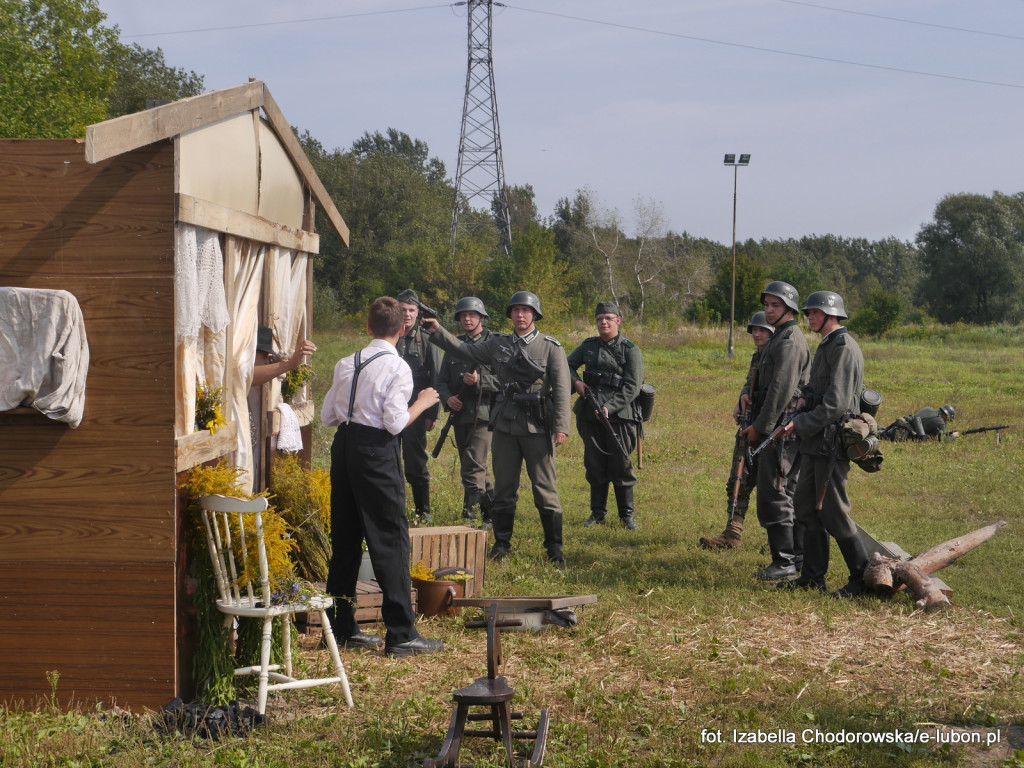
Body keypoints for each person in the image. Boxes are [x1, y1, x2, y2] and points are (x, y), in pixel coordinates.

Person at [320, 296, 444, 657]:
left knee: (345, 538)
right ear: (403, 328)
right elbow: (393, 423)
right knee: (390, 538)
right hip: (376, 450)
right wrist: (421, 403)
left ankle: (342, 626)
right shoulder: (398, 367)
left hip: (344, 448)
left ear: (369, 327)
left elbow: (329, 415)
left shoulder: (346, 362)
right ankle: (402, 634)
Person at [422, 291, 571, 563]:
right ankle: (502, 544)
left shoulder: (551, 347)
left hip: (537, 426)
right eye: (515, 310)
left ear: (535, 315)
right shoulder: (498, 344)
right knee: (504, 487)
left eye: (526, 311)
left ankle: (554, 548)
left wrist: (561, 426)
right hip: (504, 426)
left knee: (544, 488)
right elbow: (465, 350)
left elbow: (562, 389)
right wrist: (438, 330)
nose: (520, 315)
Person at [778, 290, 869, 597]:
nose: (809, 318)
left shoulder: (843, 346)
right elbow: (820, 391)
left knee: (833, 510)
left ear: (831, 315)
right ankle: (813, 577)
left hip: (831, 441)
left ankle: (861, 577)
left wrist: (800, 423)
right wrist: (804, 398)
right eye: (809, 314)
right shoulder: (828, 344)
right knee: (806, 506)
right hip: (817, 441)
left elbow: (837, 403)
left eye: (814, 313)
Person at [737, 281, 812, 580]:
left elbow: (780, 391)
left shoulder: (790, 340)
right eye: (767, 304)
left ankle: (785, 562)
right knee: (780, 491)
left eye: (775, 305)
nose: (768, 310)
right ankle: (794, 560)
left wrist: (761, 428)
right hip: (775, 427)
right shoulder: (779, 337)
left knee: (776, 492)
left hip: (780, 430)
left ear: (789, 309)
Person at [566, 301, 645, 530]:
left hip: (620, 417)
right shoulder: (588, 346)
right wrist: (577, 382)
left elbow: (632, 386)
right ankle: (597, 514)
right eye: (600, 318)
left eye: (609, 318)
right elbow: (566, 365)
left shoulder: (630, 349)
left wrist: (611, 406)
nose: (604, 322)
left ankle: (626, 516)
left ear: (618, 320)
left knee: (621, 463)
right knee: (594, 463)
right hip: (590, 413)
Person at [700, 311, 773, 549]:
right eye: (754, 330)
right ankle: (733, 532)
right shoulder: (758, 357)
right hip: (749, 423)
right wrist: (742, 395)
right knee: (739, 478)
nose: (757, 334)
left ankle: (781, 541)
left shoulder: (780, 356)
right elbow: (750, 382)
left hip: (770, 429)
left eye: (762, 330)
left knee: (773, 486)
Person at [436, 296, 498, 526]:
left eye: (472, 315)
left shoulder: (494, 345)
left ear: (481, 317)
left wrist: (480, 381)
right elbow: (441, 380)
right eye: (463, 315)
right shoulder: (454, 345)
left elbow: (505, 381)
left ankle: (469, 515)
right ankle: (492, 514)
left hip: (484, 416)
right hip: (460, 415)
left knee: (472, 466)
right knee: (477, 466)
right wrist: (448, 398)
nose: (467, 318)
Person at [395, 289, 443, 524]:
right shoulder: (388, 335)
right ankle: (393, 508)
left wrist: (431, 413)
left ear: (418, 312)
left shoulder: (425, 339)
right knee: (389, 460)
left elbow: (435, 377)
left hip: (416, 408)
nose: (406, 314)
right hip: (390, 409)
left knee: (415, 460)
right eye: (402, 309)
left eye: (411, 310)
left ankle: (423, 510)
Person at [881, 405, 958, 442]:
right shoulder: (940, 423)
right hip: (903, 434)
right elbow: (943, 439)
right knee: (880, 437)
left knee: (881, 433)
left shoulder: (928, 408)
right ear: (946, 416)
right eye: (947, 419)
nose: (946, 421)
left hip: (900, 425)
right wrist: (953, 436)